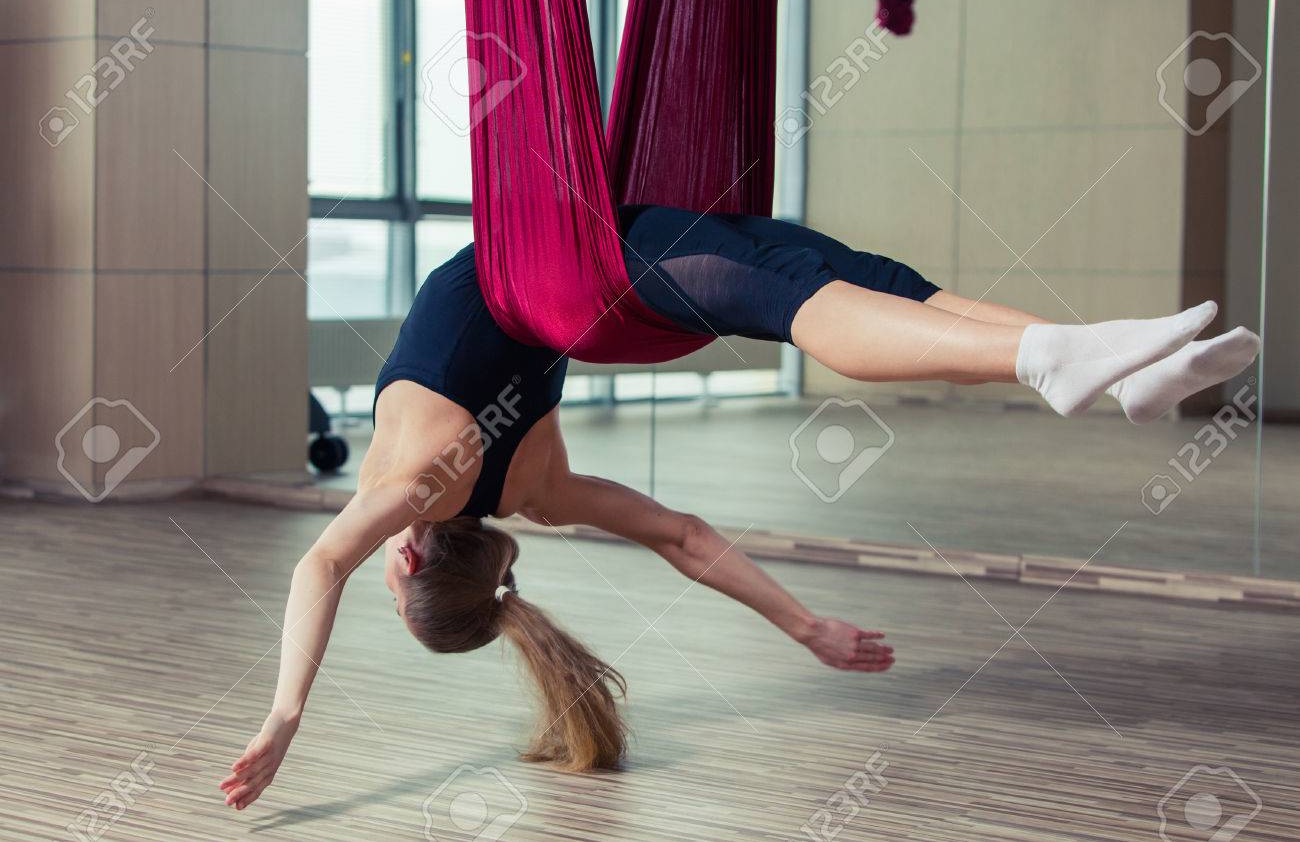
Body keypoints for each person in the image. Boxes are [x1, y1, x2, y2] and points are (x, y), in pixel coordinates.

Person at [219, 205, 1259, 808]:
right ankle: (1046, 359)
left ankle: (1113, 373)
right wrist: (284, 714)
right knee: (800, 296)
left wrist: (802, 625)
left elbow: (682, 537)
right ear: (408, 561)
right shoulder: (418, 479)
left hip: (588, 249)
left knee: (846, 275)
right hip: (585, 260)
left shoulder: (533, 492)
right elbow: (320, 564)